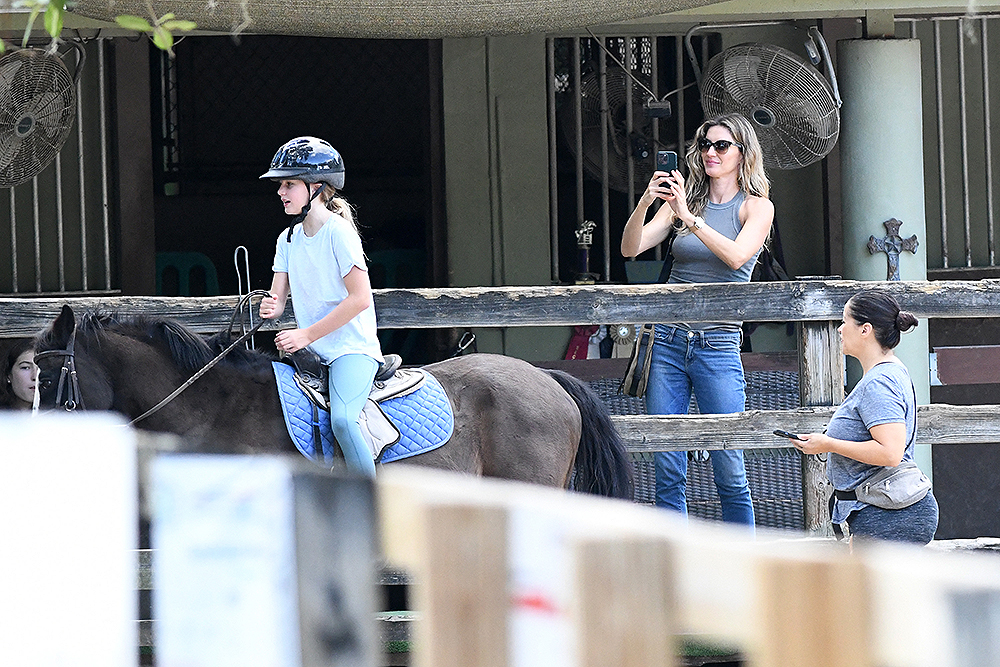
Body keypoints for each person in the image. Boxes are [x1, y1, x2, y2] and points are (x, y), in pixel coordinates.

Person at [621, 113, 774, 528]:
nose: (710, 152)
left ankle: (741, 567)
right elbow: (631, 248)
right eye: (705, 144)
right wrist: (648, 202)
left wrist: (689, 218)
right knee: (668, 467)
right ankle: (675, 568)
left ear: (743, 153)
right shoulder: (687, 200)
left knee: (730, 466)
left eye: (721, 145)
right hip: (667, 341)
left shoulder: (755, 207)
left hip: (719, 343)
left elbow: (738, 256)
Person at [258, 136, 384, 478]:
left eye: (288, 184)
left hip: (349, 349)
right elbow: (279, 298)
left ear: (315, 187)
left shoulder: (340, 234)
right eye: (280, 186)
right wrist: (270, 306)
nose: (281, 192)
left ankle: (369, 504)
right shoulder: (286, 239)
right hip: (309, 352)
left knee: (343, 420)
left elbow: (360, 299)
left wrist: (306, 334)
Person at [785, 290, 938, 544]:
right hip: (885, 509)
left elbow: (890, 453)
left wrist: (827, 444)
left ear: (865, 330)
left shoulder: (879, 383)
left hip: (889, 515)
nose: (840, 329)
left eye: (845, 322)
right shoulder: (889, 372)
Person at [1, 339, 37, 410]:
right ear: (9, 375)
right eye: (26, 368)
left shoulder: (60, 416)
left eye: (41, 367)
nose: (35, 376)